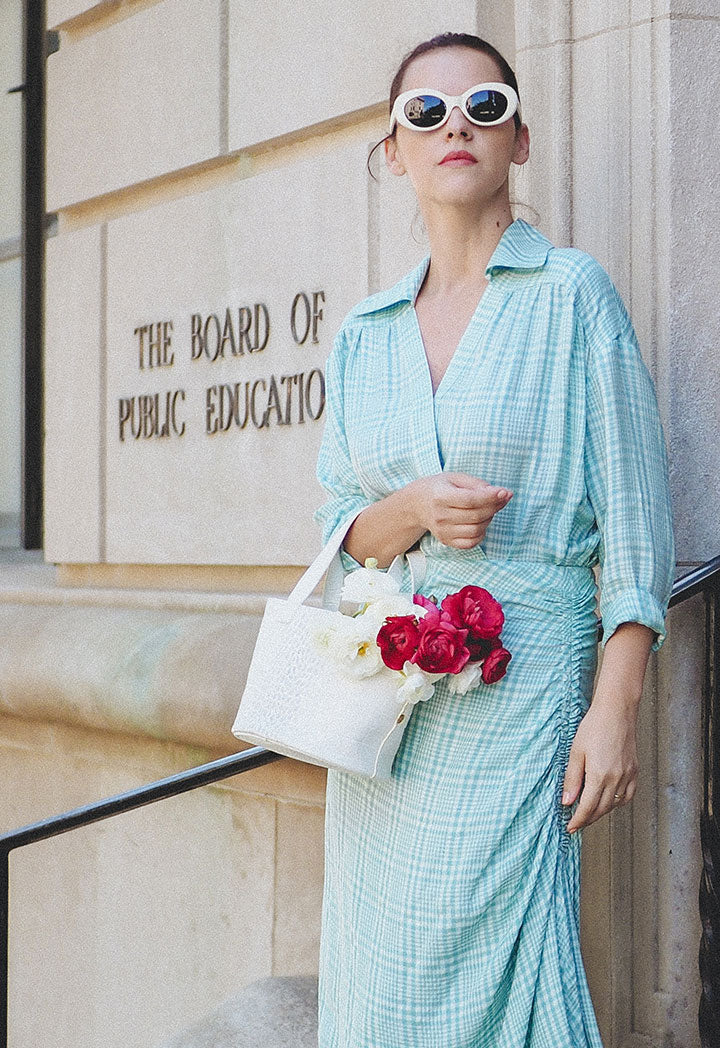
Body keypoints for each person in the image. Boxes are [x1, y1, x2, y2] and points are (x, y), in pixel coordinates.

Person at [313, 30, 675, 1048]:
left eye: (484, 105)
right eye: (426, 113)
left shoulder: (572, 296)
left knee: (505, 970)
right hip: (389, 712)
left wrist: (616, 710)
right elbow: (337, 537)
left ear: (520, 138)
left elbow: (639, 535)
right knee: (382, 987)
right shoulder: (365, 333)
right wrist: (414, 509)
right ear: (395, 151)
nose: (454, 126)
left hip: (524, 698)